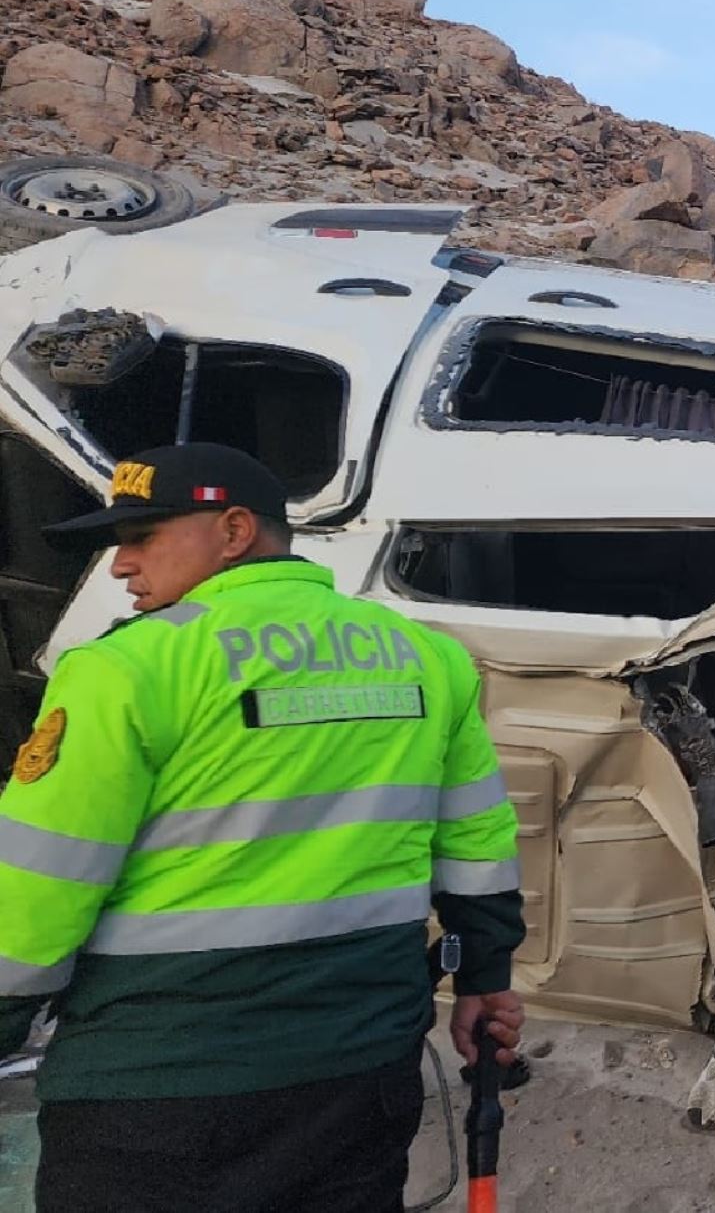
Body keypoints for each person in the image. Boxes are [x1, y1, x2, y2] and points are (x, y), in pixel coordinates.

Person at [0, 443, 526, 1213]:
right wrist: (485, 978)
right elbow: (479, 844)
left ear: (235, 530)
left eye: (143, 536)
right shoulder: (426, 659)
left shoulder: (128, 669)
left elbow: (37, 890)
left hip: (157, 1089)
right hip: (361, 1075)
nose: (120, 565)